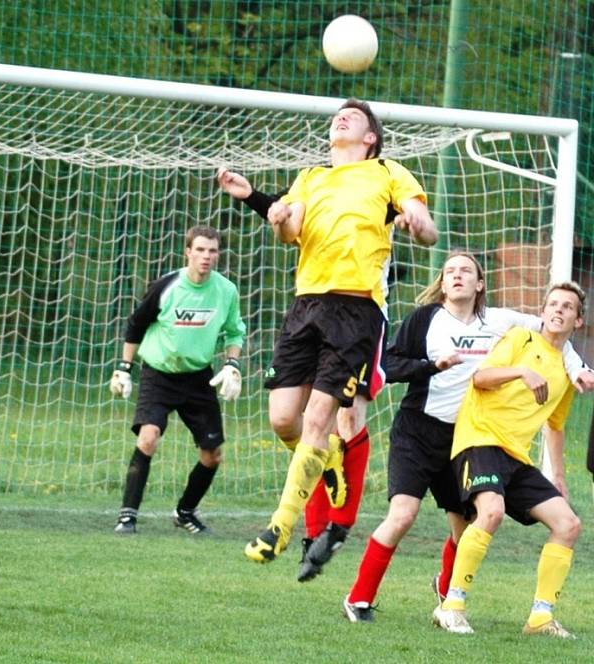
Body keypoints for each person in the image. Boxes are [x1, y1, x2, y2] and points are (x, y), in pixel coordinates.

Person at [219, 98, 438, 564]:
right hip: (306, 305)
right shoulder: (311, 177)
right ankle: (332, 458)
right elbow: (290, 230)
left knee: (320, 418)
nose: (341, 117)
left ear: (370, 137)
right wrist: (267, 208)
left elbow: (427, 230)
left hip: (355, 309)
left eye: (353, 117)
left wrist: (417, 221)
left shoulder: (387, 173)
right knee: (283, 419)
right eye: (338, 115)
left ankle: (279, 527)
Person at [342, 253, 592, 623]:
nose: (457, 276)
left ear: (479, 284)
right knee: (403, 514)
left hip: (463, 437)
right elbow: (389, 365)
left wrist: (577, 368)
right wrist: (431, 366)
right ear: (442, 283)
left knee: (466, 527)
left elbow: (555, 332)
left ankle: (447, 592)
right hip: (419, 430)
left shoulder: (500, 321)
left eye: (466, 271)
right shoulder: (425, 319)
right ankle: (359, 598)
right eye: (450, 272)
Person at [433, 281, 586, 638]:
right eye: (553, 304)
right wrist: (522, 371)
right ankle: (451, 606)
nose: (558, 310)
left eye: (567, 307)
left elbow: (555, 426)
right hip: (480, 439)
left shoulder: (568, 371)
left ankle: (540, 618)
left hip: (516, 457)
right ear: (544, 311)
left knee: (568, 525)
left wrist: (559, 477)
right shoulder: (521, 338)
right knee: (491, 512)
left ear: (577, 321)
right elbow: (480, 378)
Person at [110, 225, 246, 535]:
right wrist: (124, 367)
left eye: (212, 250)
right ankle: (127, 516)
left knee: (213, 455)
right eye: (199, 250)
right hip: (159, 375)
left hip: (198, 379)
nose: (206, 256)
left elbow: (235, 330)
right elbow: (136, 325)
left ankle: (185, 512)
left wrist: (232, 364)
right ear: (187, 252)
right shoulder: (167, 286)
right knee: (148, 438)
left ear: (218, 254)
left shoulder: (226, 291)